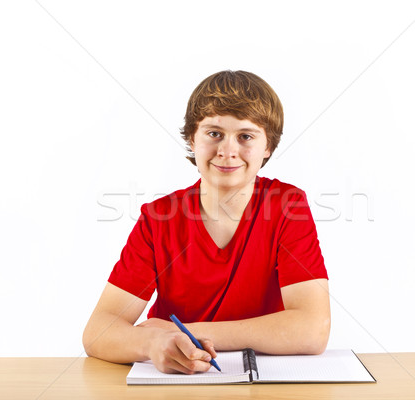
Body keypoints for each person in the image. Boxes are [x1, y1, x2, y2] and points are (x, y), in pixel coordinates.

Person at [83, 70, 330, 374]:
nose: (227, 151)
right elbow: (98, 331)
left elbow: (312, 329)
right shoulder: (158, 218)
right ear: (192, 139)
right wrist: (151, 345)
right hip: (179, 381)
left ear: (268, 146)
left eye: (246, 136)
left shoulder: (287, 206)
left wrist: (183, 332)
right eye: (214, 133)